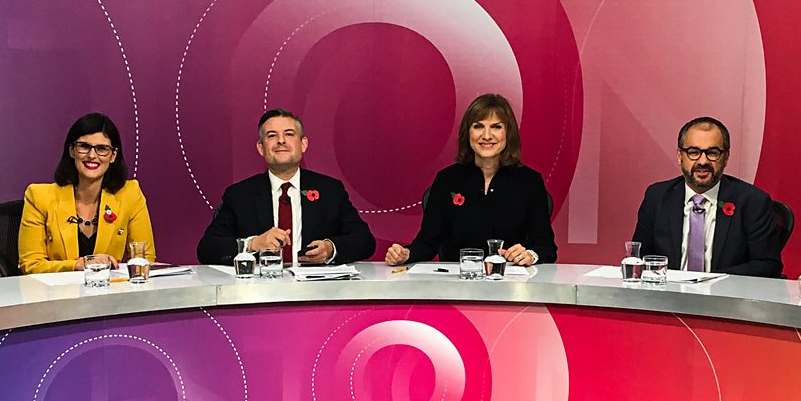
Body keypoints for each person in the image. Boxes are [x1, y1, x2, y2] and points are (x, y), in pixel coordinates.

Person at [384, 93, 556, 266]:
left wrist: (530, 255)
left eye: (496, 127)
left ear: (508, 133)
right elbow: (427, 243)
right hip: (458, 280)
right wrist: (406, 254)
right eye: (478, 126)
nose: (487, 136)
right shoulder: (447, 180)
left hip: (510, 279)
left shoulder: (530, 182)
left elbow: (546, 247)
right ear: (468, 132)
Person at [196, 108, 375, 265]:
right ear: (261, 148)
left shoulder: (330, 190)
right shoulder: (239, 195)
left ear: (303, 144)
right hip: (260, 289)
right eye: (272, 135)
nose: (281, 140)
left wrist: (330, 249)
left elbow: (365, 241)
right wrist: (252, 244)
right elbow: (207, 249)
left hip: (316, 288)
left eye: (289, 134)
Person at [631, 116, 782, 277]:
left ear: (726, 157)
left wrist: (711, 281)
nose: (703, 161)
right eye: (693, 152)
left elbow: (768, 265)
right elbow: (639, 258)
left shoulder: (753, 202)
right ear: (680, 156)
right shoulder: (657, 197)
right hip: (668, 291)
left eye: (712, 153)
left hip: (726, 292)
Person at [18, 113, 155, 274]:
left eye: (102, 149)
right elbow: (30, 265)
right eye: (84, 146)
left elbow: (144, 259)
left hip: (110, 288)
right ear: (72, 150)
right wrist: (78, 265)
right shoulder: (39, 197)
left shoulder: (130, 194)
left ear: (113, 156)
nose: (91, 155)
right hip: (58, 289)